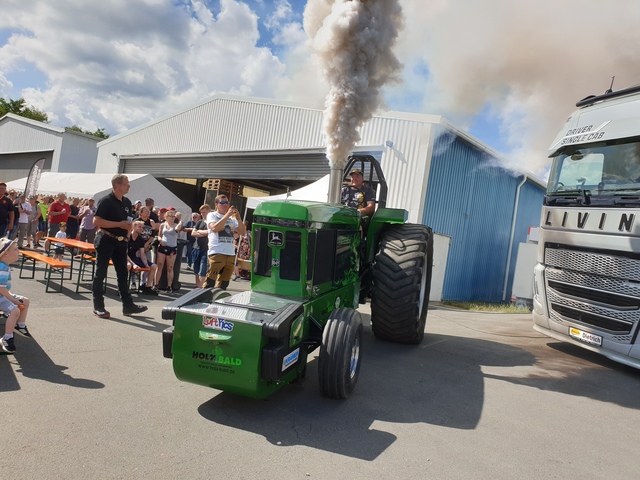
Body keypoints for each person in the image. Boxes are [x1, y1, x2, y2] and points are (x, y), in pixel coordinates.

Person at [92, 174, 147, 319]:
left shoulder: (127, 202)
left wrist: (128, 235)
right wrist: (119, 225)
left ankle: (128, 306)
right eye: (126, 184)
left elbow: (129, 222)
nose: (129, 186)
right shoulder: (106, 201)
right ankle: (99, 306)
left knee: (123, 273)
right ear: (118, 185)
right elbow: (96, 221)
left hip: (121, 242)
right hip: (106, 239)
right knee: (100, 274)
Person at [206, 195, 246, 290]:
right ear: (216, 204)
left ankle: (219, 298)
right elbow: (214, 228)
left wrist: (238, 217)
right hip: (217, 251)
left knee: (224, 282)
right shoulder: (212, 215)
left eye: (227, 202)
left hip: (230, 253)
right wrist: (227, 215)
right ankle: (205, 298)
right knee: (210, 280)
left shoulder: (232, 218)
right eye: (222, 203)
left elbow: (243, 232)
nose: (225, 205)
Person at [0, 237, 31, 354]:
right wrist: (14, 300)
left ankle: (20, 325)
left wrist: (14, 299)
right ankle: (7, 338)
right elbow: (2, 290)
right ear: (6, 254)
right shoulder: (2, 268)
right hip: (1, 296)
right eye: (15, 249)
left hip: (2, 295)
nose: (18, 251)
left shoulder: (4, 266)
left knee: (25, 301)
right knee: (15, 311)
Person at [154, 209, 182, 294]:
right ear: (166, 217)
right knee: (160, 265)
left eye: (173, 217)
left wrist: (180, 221)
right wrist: (160, 240)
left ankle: (169, 286)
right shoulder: (162, 225)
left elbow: (177, 230)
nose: (172, 218)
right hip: (163, 247)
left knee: (170, 267)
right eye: (170, 216)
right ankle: (156, 284)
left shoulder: (176, 225)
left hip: (172, 248)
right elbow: (159, 235)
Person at [128, 220, 158, 295]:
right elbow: (124, 254)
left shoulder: (140, 239)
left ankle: (147, 287)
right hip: (127, 258)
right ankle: (124, 287)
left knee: (153, 266)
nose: (141, 229)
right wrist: (133, 264)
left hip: (136, 258)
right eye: (139, 227)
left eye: (142, 227)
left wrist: (146, 264)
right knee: (128, 266)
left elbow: (142, 254)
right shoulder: (128, 237)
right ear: (133, 227)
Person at [190, 204, 211, 288]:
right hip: (197, 247)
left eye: (204, 212)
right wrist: (204, 233)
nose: (202, 214)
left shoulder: (211, 223)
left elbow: (210, 232)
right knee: (196, 267)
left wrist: (199, 232)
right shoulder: (199, 222)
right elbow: (193, 233)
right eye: (201, 212)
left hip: (206, 248)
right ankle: (197, 284)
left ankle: (200, 286)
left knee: (203, 268)